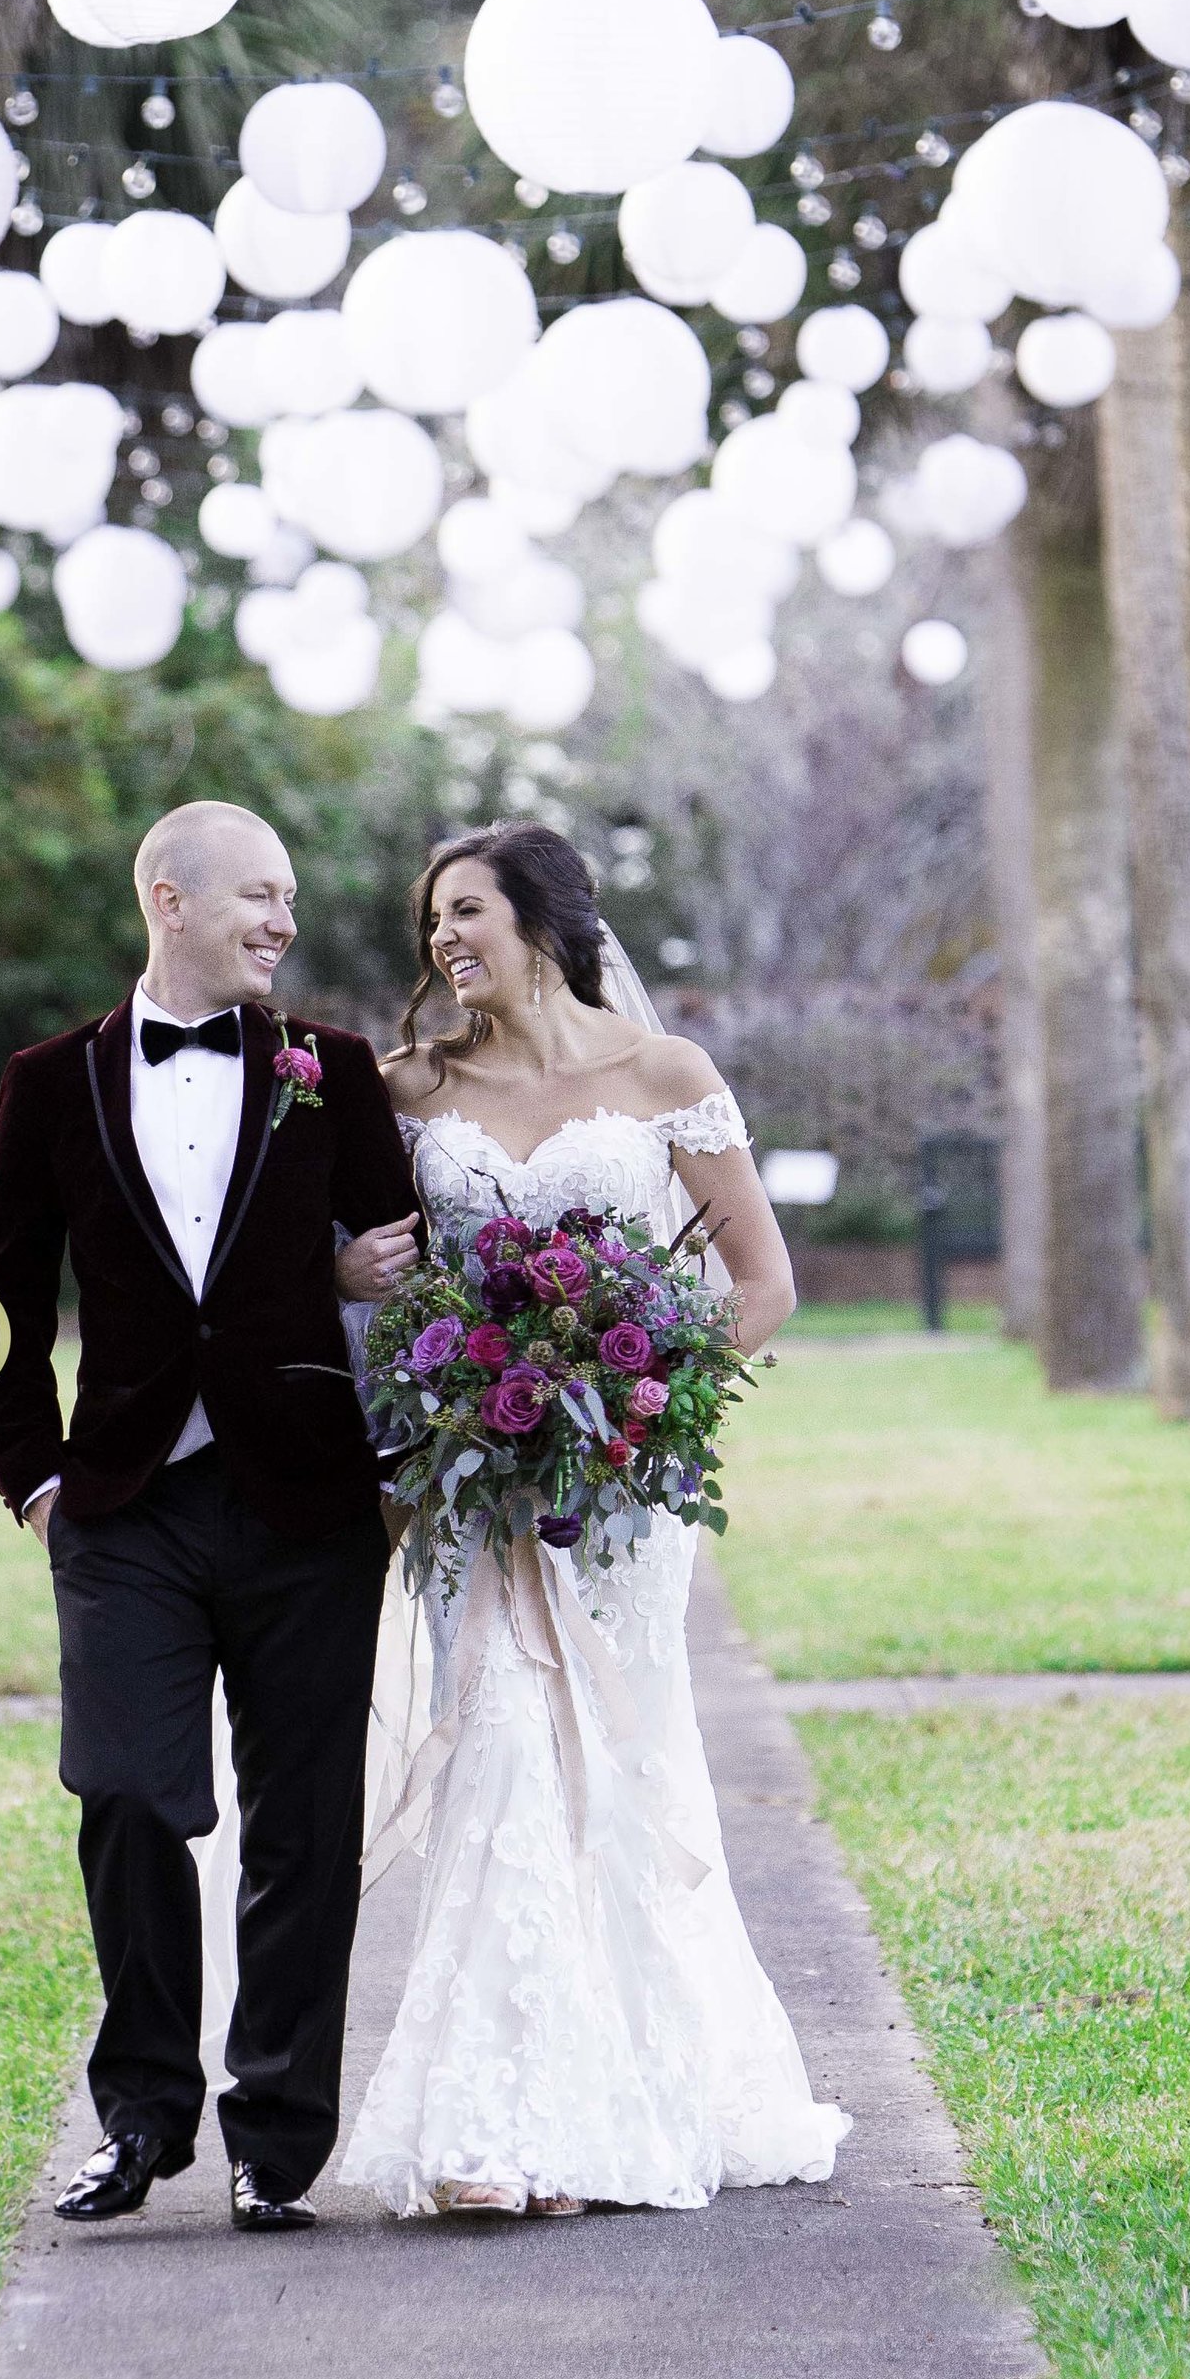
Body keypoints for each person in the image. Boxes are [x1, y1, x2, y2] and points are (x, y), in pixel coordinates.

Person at [339, 822, 852, 2218]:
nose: (446, 940)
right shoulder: (402, 1090)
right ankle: (499, 2123)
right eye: (432, 919)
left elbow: (762, 1283)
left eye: (468, 912)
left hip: (619, 1503)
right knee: (504, 1735)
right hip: (480, 1489)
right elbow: (340, 1273)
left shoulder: (665, 1078)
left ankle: (634, 2080)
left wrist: (640, 1408)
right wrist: (409, 1344)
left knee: (620, 1762)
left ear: (544, 920)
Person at [0, 801, 420, 2234]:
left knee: (304, 1820)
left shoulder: (331, 1071)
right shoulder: (51, 1082)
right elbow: (2, 1296)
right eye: (261, 897)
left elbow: (400, 1265)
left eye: (288, 901)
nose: (284, 923)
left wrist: (364, 1301)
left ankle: (274, 2141)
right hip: (120, 1500)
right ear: (169, 896)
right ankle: (143, 2116)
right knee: (120, 1789)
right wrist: (33, 1474)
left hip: (306, 1498)